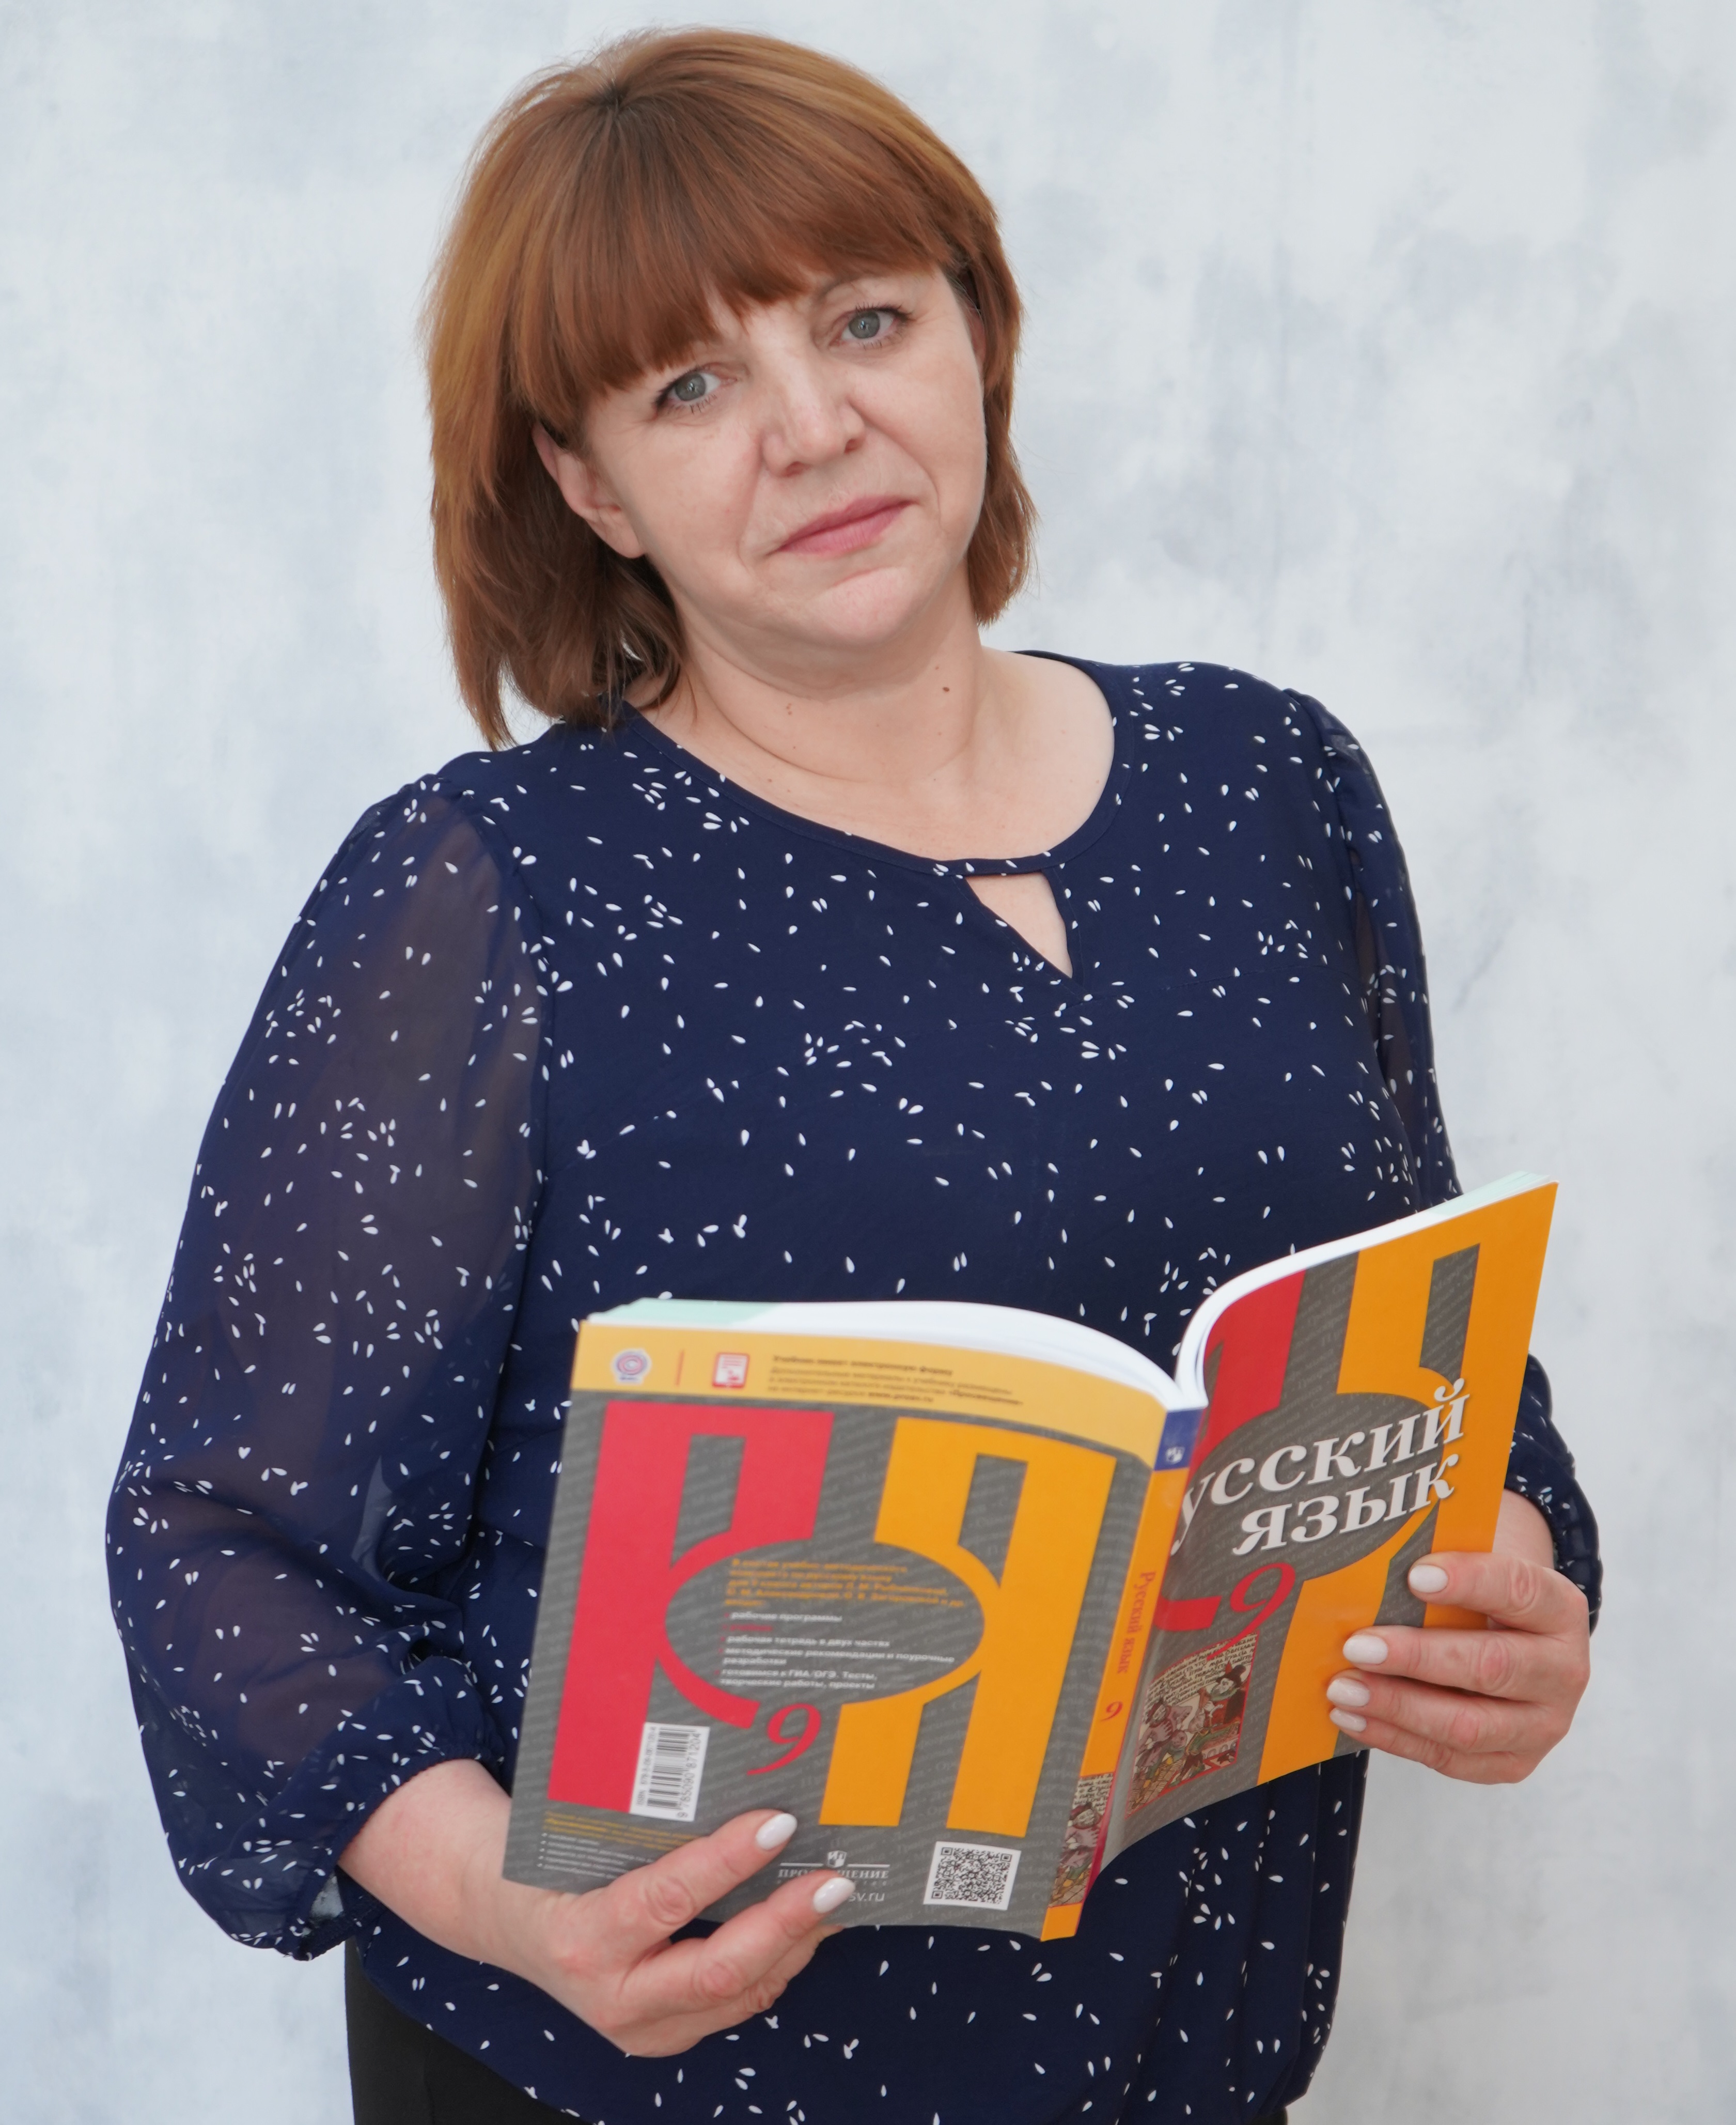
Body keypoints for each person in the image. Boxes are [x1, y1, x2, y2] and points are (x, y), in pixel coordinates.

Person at [107, 29, 1599, 2125]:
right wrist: (507, 1899)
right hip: (637, 2081)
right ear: (588, 485)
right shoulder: (486, 890)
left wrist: (1510, 1584)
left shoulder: (1268, 782)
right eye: (687, 386)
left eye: (866, 320)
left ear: (979, 335)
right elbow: (222, 1547)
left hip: (1188, 2061)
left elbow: (1437, 1365)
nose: (813, 429)